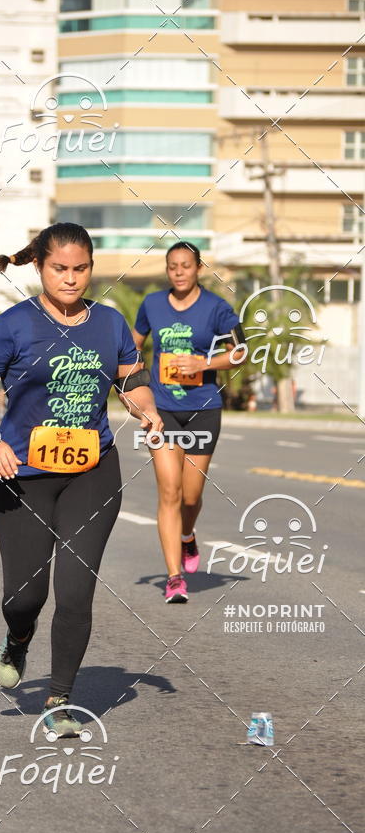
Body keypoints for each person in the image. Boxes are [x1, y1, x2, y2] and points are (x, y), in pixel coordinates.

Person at [0, 222, 162, 738]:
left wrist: (146, 409)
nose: (71, 279)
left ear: (91, 268)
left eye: (81, 269)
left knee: (76, 590)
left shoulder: (110, 323)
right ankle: (18, 636)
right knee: (25, 596)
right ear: (40, 267)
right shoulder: (12, 325)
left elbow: (130, 376)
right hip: (21, 475)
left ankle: (61, 700)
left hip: (93, 472)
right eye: (60, 269)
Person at [133, 241, 246, 603]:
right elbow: (132, 348)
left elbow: (241, 351)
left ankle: (187, 535)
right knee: (169, 491)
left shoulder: (217, 308)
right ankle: (174, 577)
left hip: (202, 409)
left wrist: (204, 364)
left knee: (190, 495)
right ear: (167, 271)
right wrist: (135, 390)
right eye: (172, 266)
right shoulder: (151, 304)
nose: (179, 272)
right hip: (162, 410)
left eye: (185, 265)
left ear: (198, 268)